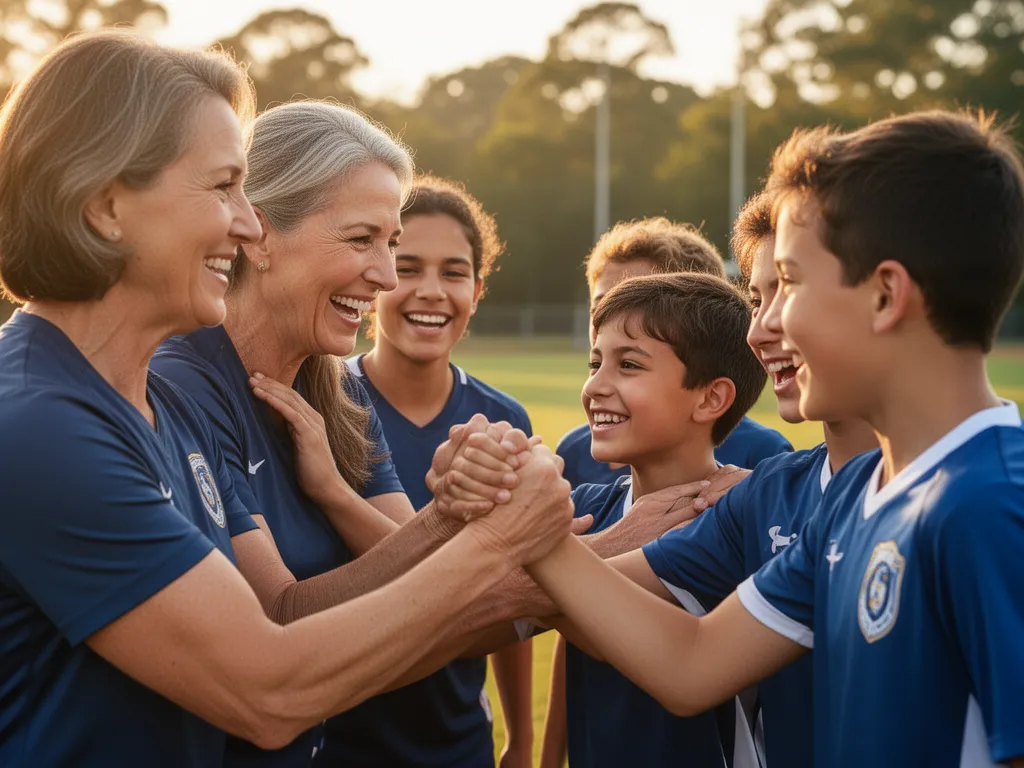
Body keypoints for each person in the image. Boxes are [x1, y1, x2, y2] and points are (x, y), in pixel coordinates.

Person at [0, 31, 573, 768]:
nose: (246, 223)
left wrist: (454, 524)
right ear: (107, 206)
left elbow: (267, 628)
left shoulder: (146, 401)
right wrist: (494, 543)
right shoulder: (41, 427)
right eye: (222, 188)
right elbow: (268, 688)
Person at [150, 100, 707, 767]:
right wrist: (609, 552)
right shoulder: (184, 385)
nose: (386, 276)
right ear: (260, 236)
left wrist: (454, 520)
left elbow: (414, 581)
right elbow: (283, 618)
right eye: (363, 240)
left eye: (389, 244)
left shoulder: (337, 390)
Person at [522, 110, 1024, 768]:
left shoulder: (992, 505)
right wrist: (529, 525)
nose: (762, 329)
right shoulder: (854, 494)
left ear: (885, 296)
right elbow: (692, 663)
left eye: (788, 283)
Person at [541, 217, 792, 766]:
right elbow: (502, 622)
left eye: (628, 364)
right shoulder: (583, 508)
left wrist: (522, 535)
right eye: (594, 362)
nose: (595, 386)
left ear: (710, 399)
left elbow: (601, 630)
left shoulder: (736, 518)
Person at [328, 176, 533, 767]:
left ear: (477, 289)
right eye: (408, 267)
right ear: (377, 277)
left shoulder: (503, 420)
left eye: (454, 272)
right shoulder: (322, 399)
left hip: (457, 746)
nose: (431, 291)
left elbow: (514, 597)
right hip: (335, 746)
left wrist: (520, 739)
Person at [554, 218, 792, 490]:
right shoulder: (576, 459)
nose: (614, 318)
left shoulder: (762, 462)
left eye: (629, 364)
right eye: (601, 307)